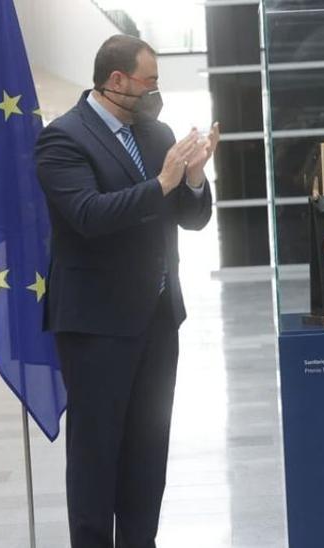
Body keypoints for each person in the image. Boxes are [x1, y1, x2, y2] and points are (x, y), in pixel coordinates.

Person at [34, 34, 218, 548]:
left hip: (159, 317)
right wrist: (162, 183)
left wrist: (196, 179)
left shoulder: (155, 132)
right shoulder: (63, 138)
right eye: (149, 82)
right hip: (95, 325)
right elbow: (89, 216)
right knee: (97, 454)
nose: (155, 92)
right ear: (116, 81)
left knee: (147, 449)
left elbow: (192, 217)